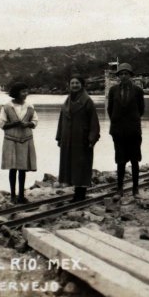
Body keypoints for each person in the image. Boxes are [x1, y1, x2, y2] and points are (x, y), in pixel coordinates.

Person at [56, 74, 100, 202]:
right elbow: (61, 120)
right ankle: (76, 193)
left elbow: (94, 122)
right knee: (72, 166)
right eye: (72, 83)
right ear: (69, 85)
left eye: (77, 83)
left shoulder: (87, 101)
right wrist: (59, 137)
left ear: (82, 85)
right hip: (68, 140)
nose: (74, 85)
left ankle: (81, 195)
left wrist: (92, 139)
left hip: (82, 140)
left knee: (81, 166)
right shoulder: (67, 101)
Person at [107, 63, 145, 197]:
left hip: (133, 131)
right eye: (121, 74)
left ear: (131, 76)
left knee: (135, 160)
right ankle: (119, 189)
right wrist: (117, 123)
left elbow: (141, 110)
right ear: (118, 76)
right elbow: (110, 110)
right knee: (120, 160)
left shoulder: (138, 91)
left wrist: (132, 121)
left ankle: (135, 189)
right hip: (118, 131)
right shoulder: (113, 91)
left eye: (126, 74)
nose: (123, 76)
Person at [0, 82, 38, 204]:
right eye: (23, 92)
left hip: (26, 139)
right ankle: (13, 195)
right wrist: (15, 123)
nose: (26, 94)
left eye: (26, 91)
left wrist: (28, 124)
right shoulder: (6, 107)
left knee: (22, 168)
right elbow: (2, 124)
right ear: (16, 93)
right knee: (13, 168)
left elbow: (35, 121)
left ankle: (21, 195)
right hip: (11, 139)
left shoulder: (30, 106)